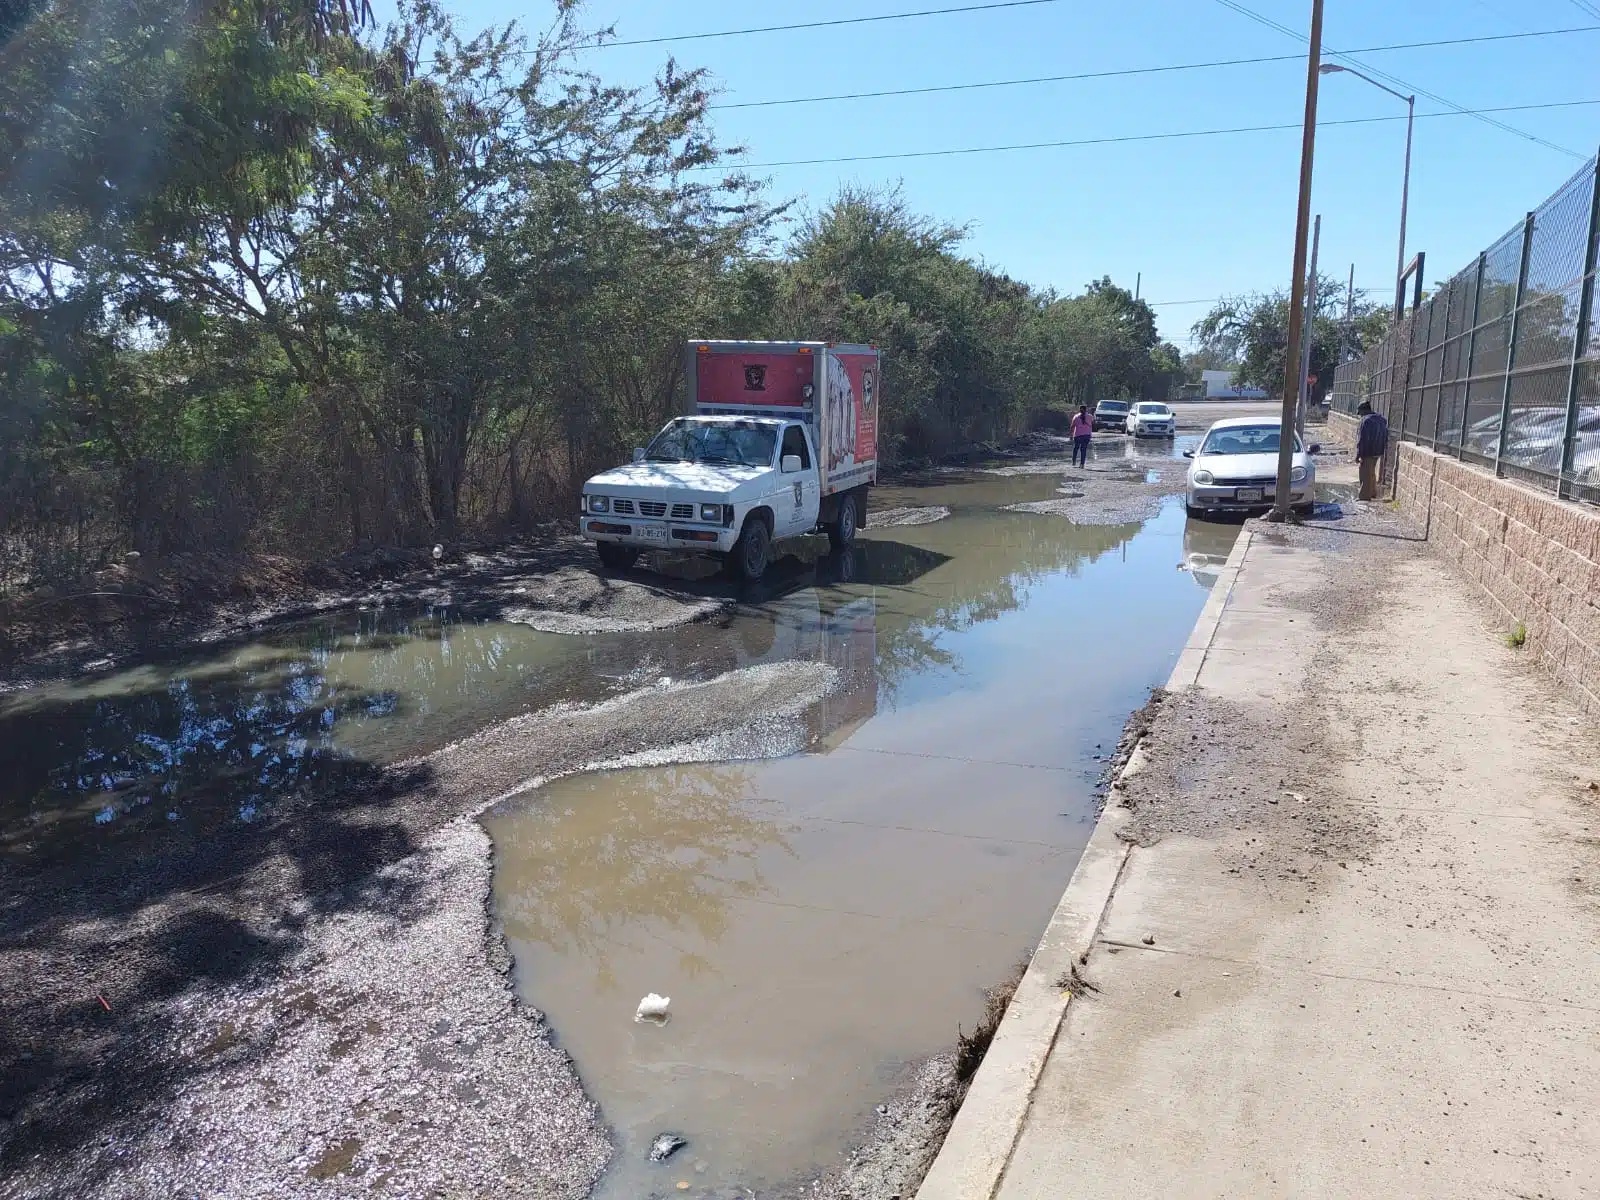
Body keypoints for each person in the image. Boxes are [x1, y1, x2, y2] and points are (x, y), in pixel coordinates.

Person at [1356, 401, 1389, 501]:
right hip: (1378, 450)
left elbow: (1362, 439)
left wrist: (1358, 454)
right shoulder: (1382, 419)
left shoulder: (1365, 421)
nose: (1360, 415)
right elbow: (1386, 435)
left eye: (1360, 413)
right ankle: (1373, 492)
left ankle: (1364, 497)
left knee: (1365, 473)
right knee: (1372, 472)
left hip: (1368, 451)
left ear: (1364, 411)